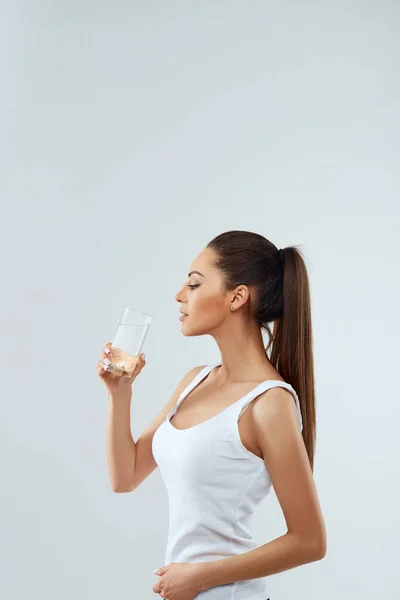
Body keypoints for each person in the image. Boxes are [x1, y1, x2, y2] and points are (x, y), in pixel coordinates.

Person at [97, 230, 327, 600]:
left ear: (237, 297)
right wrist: (119, 394)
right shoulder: (195, 380)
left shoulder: (269, 403)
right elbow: (125, 477)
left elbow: (310, 541)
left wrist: (201, 577)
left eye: (194, 284)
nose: (179, 295)